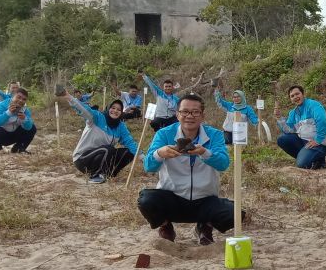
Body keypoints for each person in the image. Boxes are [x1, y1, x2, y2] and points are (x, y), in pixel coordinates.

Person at [137, 93, 233, 244]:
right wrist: (159, 153)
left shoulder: (214, 135)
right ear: (177, 114)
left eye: (195, 112)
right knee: (146, 200)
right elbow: (148, 166)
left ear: (202, 115)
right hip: (172, 199)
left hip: (205, 200)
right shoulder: (164, 134)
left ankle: (205, 226)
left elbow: (223, 163)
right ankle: (165, 225)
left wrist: (205, 152)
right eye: (185, 111)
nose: (190, 116)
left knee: (234, 212)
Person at [61, 90, 137, 183]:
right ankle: (95, 175)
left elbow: (130, 142)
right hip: (83, 159)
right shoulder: (97, 118)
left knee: (129, 152)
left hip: (103, 155)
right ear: (108, 108)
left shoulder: (120, 126)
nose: (115, 111)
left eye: (119, 109)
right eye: (113, 108)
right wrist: (68, 96)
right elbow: (84, 109)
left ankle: (108, 174)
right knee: (108, 149)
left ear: (121, 112)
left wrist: (144, 158)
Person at [276, 85, 326, 169]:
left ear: (303, 94)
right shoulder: (293, 113)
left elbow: (321, 120)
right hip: (305, 142)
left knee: (301, 164)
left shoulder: (313, 105)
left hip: (321, 143)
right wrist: (279, 118)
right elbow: (289, 130)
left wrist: (318, 140)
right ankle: (313, 159)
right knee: (282, 139)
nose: (295, 97)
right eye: (292, 96)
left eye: (297, 94)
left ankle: (313, 159)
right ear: (290, 99)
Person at [0, 87, 36, 153]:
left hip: (10, 135)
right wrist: (8, 113)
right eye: (18, 97)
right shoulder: (1, 105)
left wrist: (24, 119)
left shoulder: (25, 110)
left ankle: (19, 148)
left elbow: (29, 128)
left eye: (24, 99)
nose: (21, 100)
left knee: (32, 127)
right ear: (13, 96)